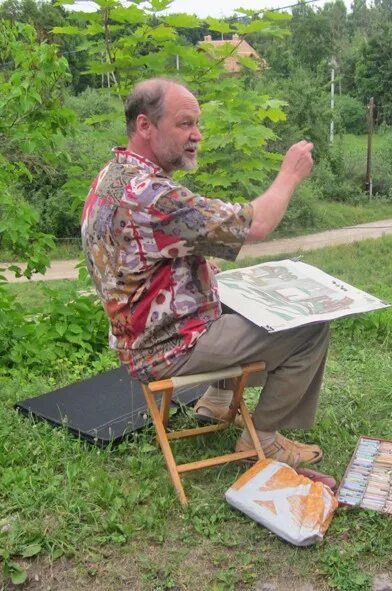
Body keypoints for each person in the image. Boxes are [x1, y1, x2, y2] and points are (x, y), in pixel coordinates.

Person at [81, 78, 329, 467]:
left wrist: (193, 266)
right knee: (309, 329)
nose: (196, 134)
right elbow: (254, 225)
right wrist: (289, 175)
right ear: (145, 126)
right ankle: (262, 440)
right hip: (166, 347)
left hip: (138, 334)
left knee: (237, 299)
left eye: (197, 124)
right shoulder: (152, 195)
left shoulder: (113, 175)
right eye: (184, 124)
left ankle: (217, 400)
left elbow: (135, 254)